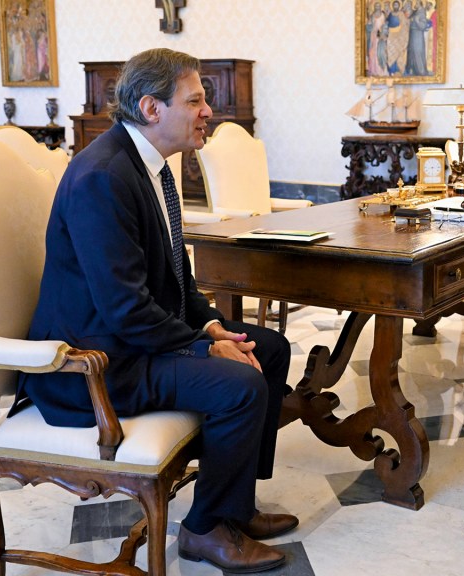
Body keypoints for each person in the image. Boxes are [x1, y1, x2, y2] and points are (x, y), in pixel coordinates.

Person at [16, 48, 296, 574]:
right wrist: (202, 346)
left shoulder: (151, 167)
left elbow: (175, 274)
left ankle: (234, 507)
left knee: (271, 348)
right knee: (241, 385)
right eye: (195, 100)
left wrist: (211, 324)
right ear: (151, 108)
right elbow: (124, 310)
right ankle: (205, 530)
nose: (208, 110)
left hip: (131, 338)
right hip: (95, 362)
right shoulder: (104, 175)